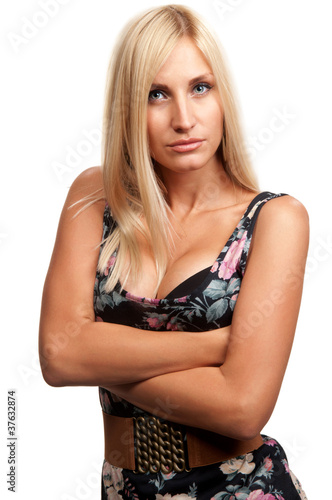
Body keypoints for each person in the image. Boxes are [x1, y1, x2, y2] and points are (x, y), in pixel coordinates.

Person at [39, 4, 309, 499]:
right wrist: (212, 348)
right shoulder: (94, 196)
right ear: (128, 105)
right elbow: (58, 357)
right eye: (156, 94)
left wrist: (98, 355)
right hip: (124, 486)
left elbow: (243, 406)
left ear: (223, 95)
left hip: (243, 486)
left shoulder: (275, 220)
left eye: (200, 88)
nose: (184, 118)